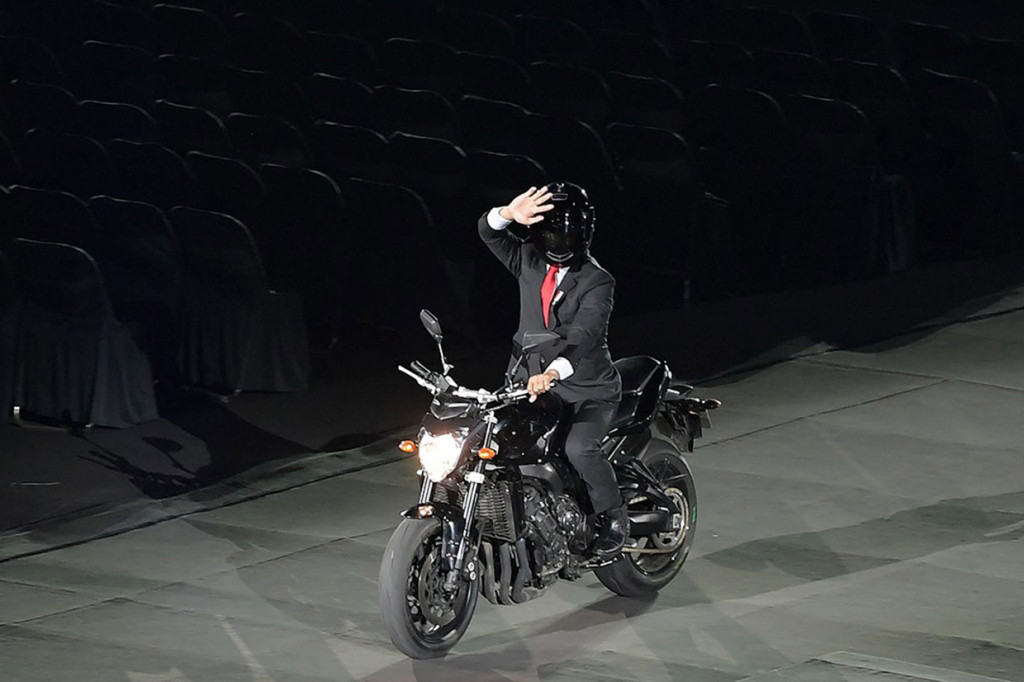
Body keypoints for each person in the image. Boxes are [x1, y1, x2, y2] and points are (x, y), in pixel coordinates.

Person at [478, 182, 628, 559]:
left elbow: (584, 335)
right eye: (552, 232)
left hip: (584, 387)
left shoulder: (597, 280)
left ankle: (614, 518)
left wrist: (553, 373)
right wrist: (508, 214)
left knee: (578, 448)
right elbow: (487, 232)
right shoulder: (527, 258)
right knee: (488, 443)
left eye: (567, 235)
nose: (559, 242)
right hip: (526, 382)